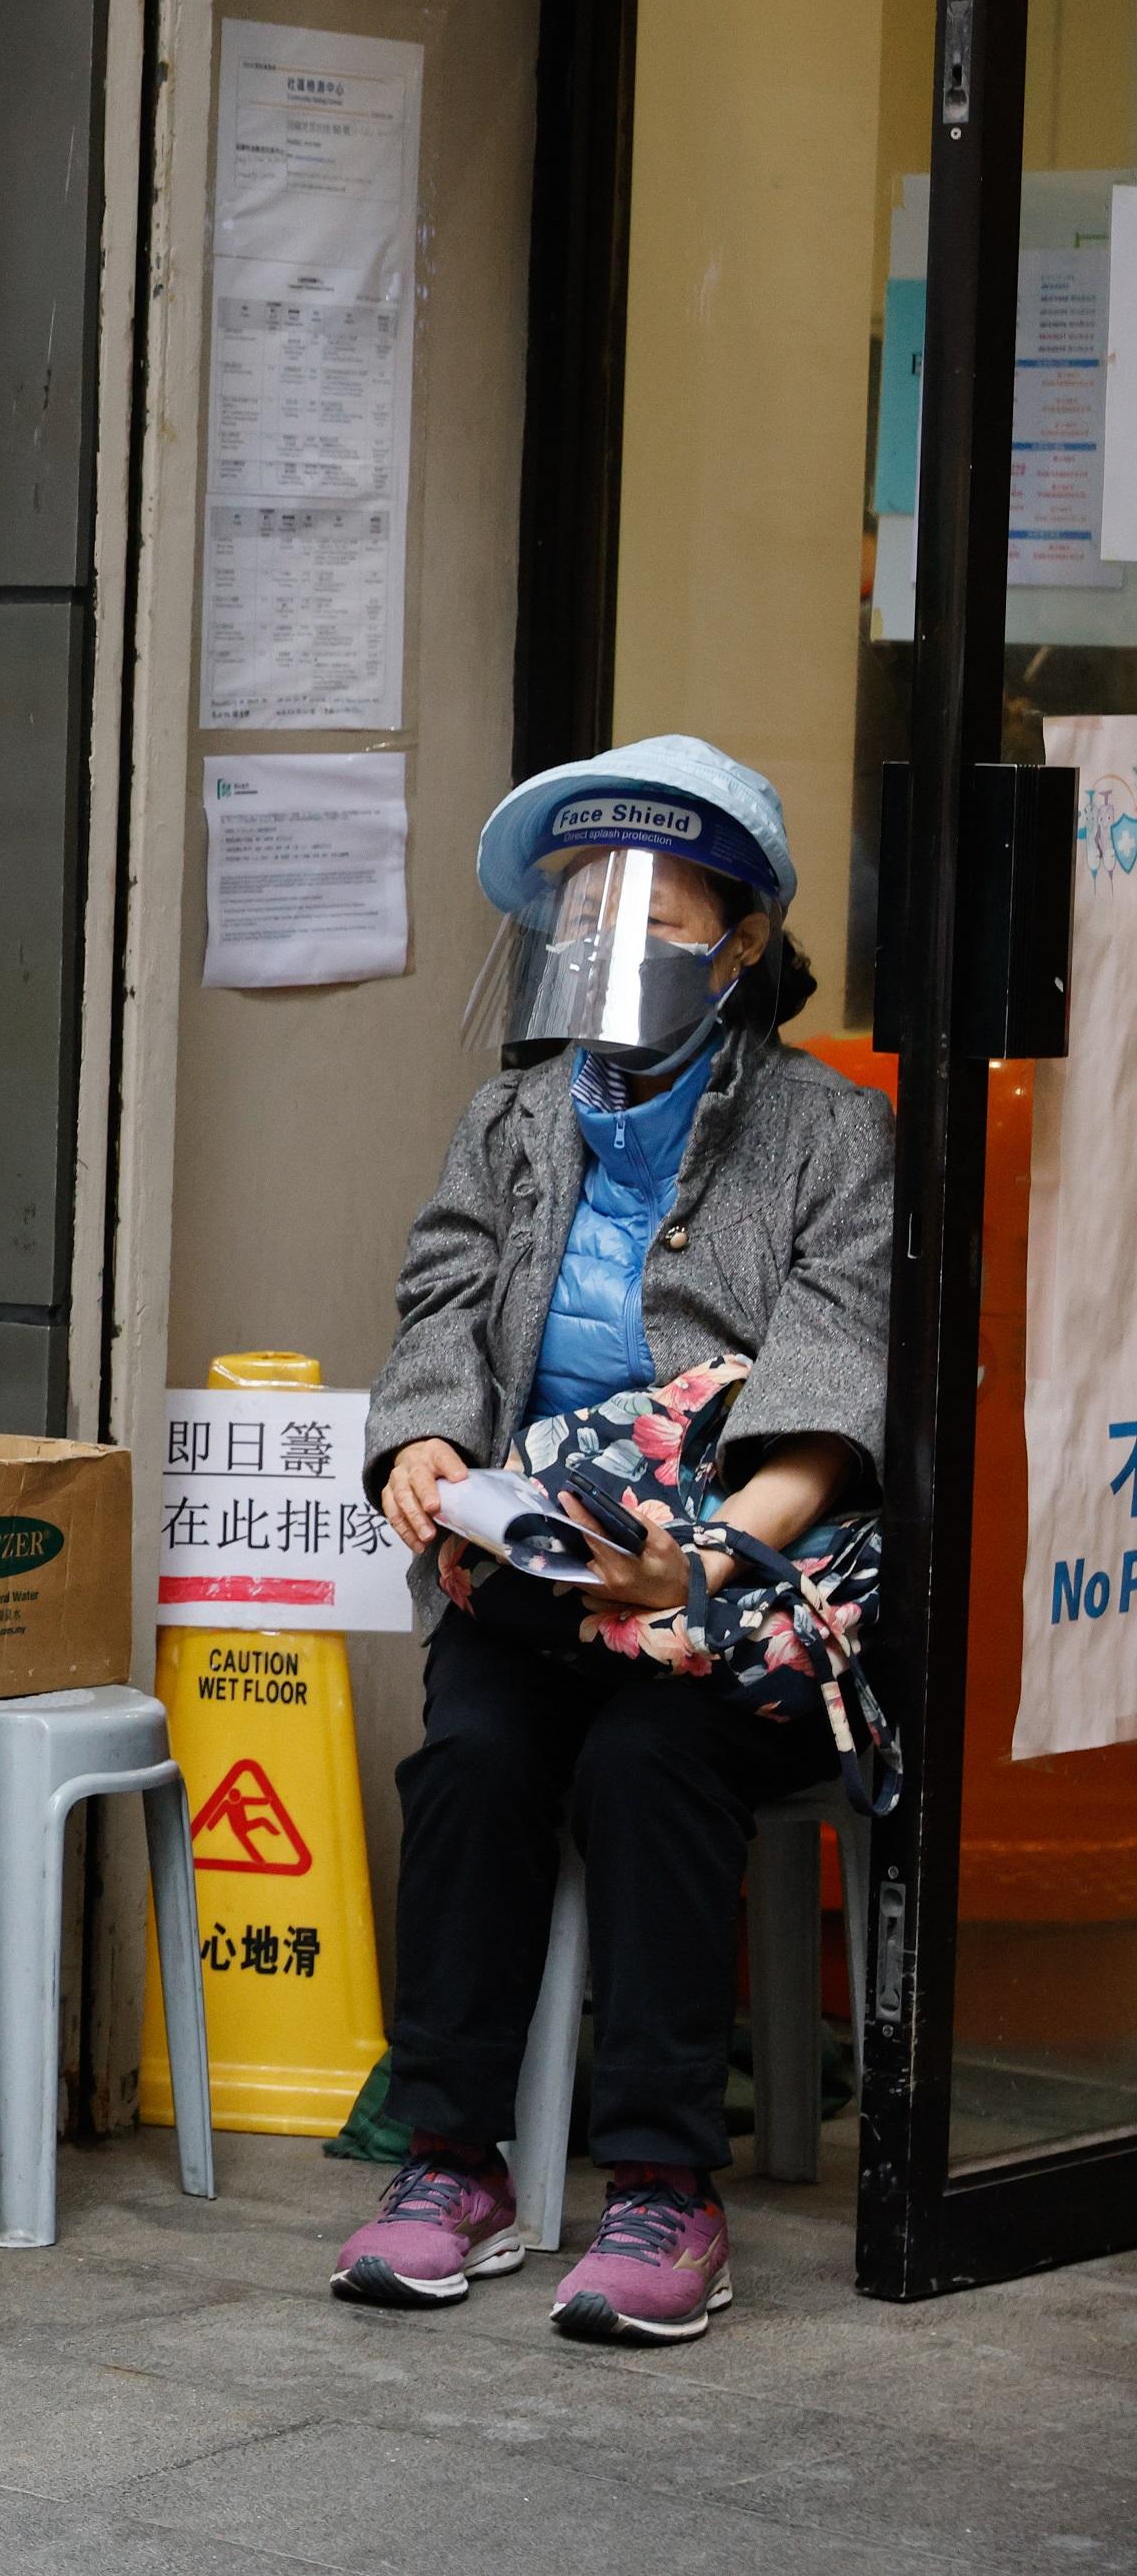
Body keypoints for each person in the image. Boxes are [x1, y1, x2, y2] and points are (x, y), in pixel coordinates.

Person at [344, 736, 892, 2345]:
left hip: (728, 1589)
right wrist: (429, 1443)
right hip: (542, 1569)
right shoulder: (514, 1114)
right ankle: (456, 2161)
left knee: (651, 1764)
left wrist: (705, 1562)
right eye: (589, 904)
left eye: (661, 907)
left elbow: (832, 1379)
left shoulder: (825, 1132)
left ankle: (666, 2188)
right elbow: (440, 1298)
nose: (617, 935)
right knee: (474, 1759)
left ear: (740, 944)